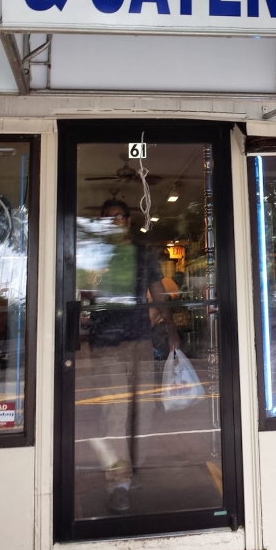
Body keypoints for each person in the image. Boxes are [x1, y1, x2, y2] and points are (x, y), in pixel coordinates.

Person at [87, 199, 179, 515]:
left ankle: (130, 468)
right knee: (115, 411)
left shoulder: (142, 253)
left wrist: (171, 328)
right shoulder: (94, 253)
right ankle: (118, 484)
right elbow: (81, 291)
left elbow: (158, 291)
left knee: (143, 412)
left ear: (128, 220)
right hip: (105, 342)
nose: (113, 223)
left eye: (118, 217)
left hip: (139, 339)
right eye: (106, 218)